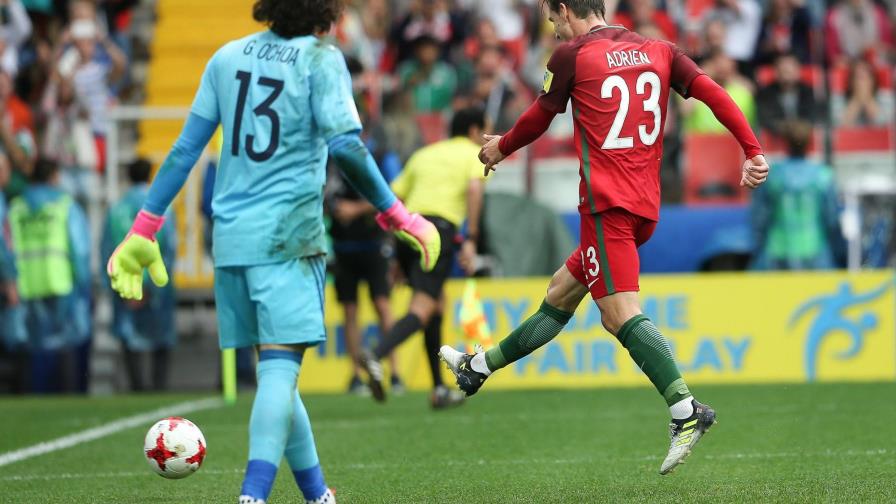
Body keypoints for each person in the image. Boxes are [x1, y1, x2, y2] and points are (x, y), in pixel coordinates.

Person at [104, 1, 440, 503]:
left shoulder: (226, 57)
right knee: (280, 372)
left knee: (276, 373)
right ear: (327, 15)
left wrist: (144, 227)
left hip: (232, 240)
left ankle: (317, 494)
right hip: (288, 238)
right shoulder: (321, 59)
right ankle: (253, 495)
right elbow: (347, 147)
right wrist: (397, 214)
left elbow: (183, 151)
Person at [440, 0, 769, 475]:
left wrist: (500, 146)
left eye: (552, 17)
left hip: (605, 206)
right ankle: (477, 370)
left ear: (565, 9)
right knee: (559, 292)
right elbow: (712, 92)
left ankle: (685, 409)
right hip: (643, 206)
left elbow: (539, 114)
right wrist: (752, 149)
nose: (552, 28)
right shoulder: (660, 48)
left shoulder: (572, 55)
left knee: (618, 316)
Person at [360, 106, 487, 409]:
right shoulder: (473, 154)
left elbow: (393, 197)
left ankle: (438, 390)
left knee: (436, 304)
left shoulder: (424, 154)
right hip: (437, 232)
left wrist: (395, 252)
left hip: (408, 228)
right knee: (423, 307)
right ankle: (376, 355)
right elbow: (473, 189)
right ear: (473, 131)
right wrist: (470, 239)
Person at [8, 158, 91, 393]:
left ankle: (33, 398)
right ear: (54, 176)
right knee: (65, 342)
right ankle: (66, 395)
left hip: (26, 282)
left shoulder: (17, 207)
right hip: (59, 280)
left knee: (33, 346)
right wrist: (83, 282)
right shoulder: (64, 205)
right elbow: (79, 248)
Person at [102, 158, 176, 391]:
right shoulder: (163, 208)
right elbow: (169, 248)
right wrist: (153, 287)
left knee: (129, 338)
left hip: (126, 284)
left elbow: (106, 248)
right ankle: (159, 387)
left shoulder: (116, 208)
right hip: (155, 285)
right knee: (161, 337)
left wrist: (118, 286)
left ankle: (137, 386)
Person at [751, 121, 843, 270]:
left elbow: (759, 218)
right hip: (815, 252)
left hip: (777, 253)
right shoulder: (823, 175)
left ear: (784, 143)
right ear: (809, 143)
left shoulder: (772, 175)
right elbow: (832, 219)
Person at [756, 52, 819, 135]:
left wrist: (803, 127)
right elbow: (765, 120)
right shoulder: (765, 94)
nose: (786, 74)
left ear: (798, 71)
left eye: (789, 70)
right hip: (775, 140)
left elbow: (814, 116)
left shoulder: (809, 92)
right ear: (776, 72)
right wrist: (787, 128)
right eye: (783, 70)